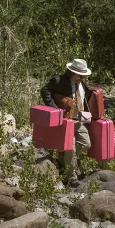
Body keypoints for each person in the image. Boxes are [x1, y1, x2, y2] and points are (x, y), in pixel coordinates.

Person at [41, 59, 93, 187]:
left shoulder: (82, 84)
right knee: (70, 147)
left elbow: (86, 98)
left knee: (86, 143)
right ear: (71, 72)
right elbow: (45, 90)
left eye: (83, 76)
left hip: (78, 120)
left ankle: (62, 161)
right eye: (80, 75)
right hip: (66, 120)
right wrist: (55, 109)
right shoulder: (58, 81)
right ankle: (71, 177)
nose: (82, 78)